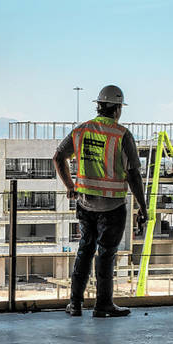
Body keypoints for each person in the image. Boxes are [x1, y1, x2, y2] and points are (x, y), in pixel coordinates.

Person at [53, 85, 148, 317]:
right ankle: (103, 305)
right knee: (105, 255)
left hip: (85, 204)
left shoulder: (81, 131)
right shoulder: (122, 134)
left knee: (85, 251)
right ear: (117, 109)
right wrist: (142, 206)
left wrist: (70, 187)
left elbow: (58, 156)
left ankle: (75, 304)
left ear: (99, 106)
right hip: (113, 206)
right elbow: (134, 174)